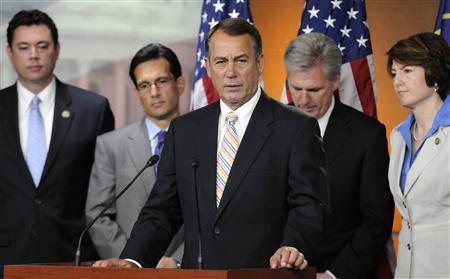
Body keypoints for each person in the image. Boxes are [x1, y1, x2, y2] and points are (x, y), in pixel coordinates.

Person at [93, 18, 328, 270]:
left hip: (263, 273)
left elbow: (309, 206)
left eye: (240, 60)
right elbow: (162, 210)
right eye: (221, 62)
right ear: (207, 66)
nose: (231, 72)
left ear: (259, 63)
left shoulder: (295, 127)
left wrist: (293, 246)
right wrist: (133, 260)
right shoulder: (185, 130)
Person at [0, 9, 114, 276]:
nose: (34, 55)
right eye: (24, 47)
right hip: (6, 256)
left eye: (42, 46)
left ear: (57, 49)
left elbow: (106, 192)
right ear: (10, 52)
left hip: (73, 257)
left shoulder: (93, 109)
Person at [284, 32, 394, 278]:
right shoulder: (268, 127)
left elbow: (376, 220)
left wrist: (336, 275)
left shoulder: (367, 135)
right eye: (296, 88)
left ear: (335, 81)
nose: (303, 100)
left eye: (314, 89)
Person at [85, 43, 185, 268]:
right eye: (144, 85)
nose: (154, 92)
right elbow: (97, 214)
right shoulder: (110, 145)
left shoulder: (204, 141)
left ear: (180, 83)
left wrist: (177, 260)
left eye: (161, 81)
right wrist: (135, 259)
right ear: (136, 93)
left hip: (189, 267)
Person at [386, 32, 450, 278]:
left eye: (407, 71)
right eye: (394, 73)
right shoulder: (398, 136)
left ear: (434, 73)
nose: (397, 81)